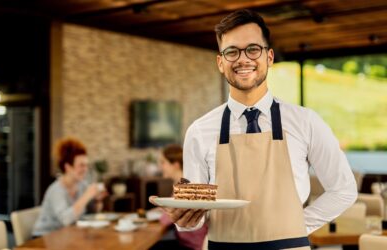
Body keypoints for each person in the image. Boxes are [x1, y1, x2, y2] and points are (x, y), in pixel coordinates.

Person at [150, 9, 357, 249]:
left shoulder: (306, 122)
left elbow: (343, 189)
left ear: (269, 57)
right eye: (231, 51)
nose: (243, 59)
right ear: (220, 62)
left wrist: (299, 225)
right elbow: (194, 217)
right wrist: (183, 220)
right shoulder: (199, 131)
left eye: (253, 49)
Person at [33, 137, 107, 236]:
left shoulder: (82, 185)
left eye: (86, 165)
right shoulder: (56, 190)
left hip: (67, 236)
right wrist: (87, 196)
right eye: (81, 165)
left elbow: (91, 212)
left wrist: (98, 200)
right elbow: (66, 220)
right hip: (44, 239)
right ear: (68, 167)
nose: (85, 169)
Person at [151, 144, 208, 250]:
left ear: (176, 165)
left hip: (192, 246)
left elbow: (166, 219)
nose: (160, 167)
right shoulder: (184, 182)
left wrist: (152, 214)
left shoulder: (186, 187)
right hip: (184, 242)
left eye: (163, 162)